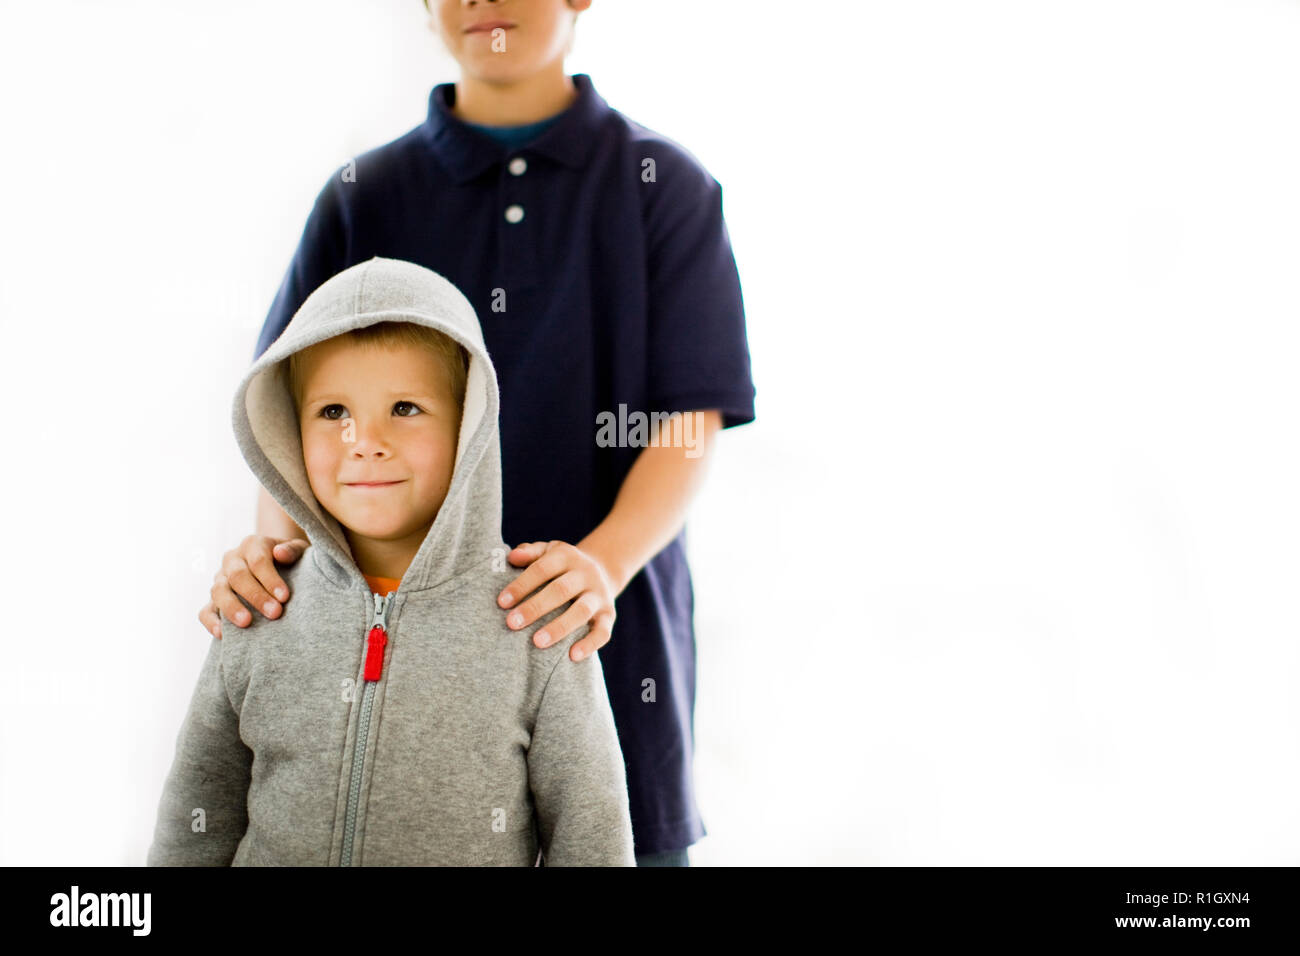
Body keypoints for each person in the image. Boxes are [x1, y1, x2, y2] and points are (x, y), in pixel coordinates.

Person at [199, 0, 756, 866]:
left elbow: (690, 418)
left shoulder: (665, 188)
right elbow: (293, 403)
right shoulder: (364, 198)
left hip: (602, 637)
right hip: (388, 672)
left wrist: (596, 570)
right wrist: (273, 572)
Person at [150, 256, 636, 866]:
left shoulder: (539, 619)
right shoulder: (259, 604)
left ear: (470, 427)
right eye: (333, 413)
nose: (365, 441)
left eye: (405, 408)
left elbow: (591, 838)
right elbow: (197, 817)